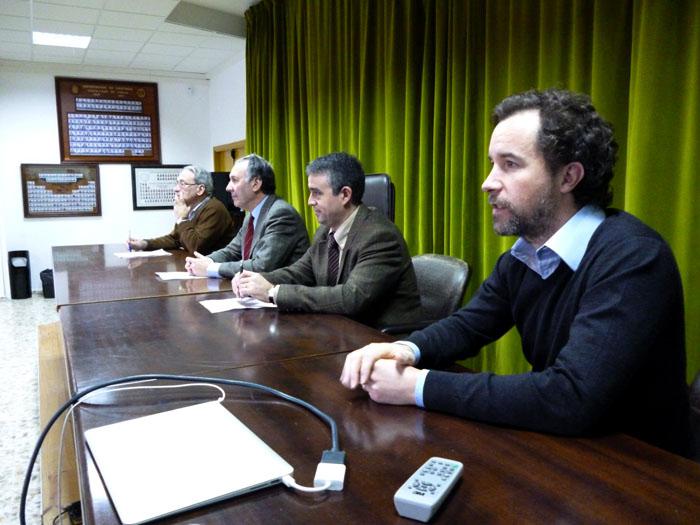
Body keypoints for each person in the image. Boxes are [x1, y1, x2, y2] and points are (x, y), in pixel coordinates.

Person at [340, 88, 690, 456]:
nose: (488, 182)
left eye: (509, 164)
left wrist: (417, 386)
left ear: (568, 177)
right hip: (565, 450)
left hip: (643, 469)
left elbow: (571, 396)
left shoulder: (633, 257)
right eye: (492, 164)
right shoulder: (524, 258)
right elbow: (468, 326)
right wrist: (404, 349)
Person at [232, 152, 423, 329]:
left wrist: (274, 293)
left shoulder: (380, 237)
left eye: (317, 193)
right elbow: (300, 272)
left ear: (345, 195)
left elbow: (351, 298)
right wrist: (255, 280)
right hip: (339, 329)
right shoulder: (326, 230)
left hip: (380, 338)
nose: (310, 201)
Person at [184, 154, 309, 278]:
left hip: (281, 289)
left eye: (234, 180)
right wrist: (205, 261)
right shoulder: (251, 215)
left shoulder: (281, 214)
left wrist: (211, 268)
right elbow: (232, 251)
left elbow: (261, 266)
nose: (228, 187)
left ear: (256, 183)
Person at [128, 165, 235, 254]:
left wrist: (182, 219)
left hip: (214, 269)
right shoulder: (191, 207)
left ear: (200, 189)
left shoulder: (214, 208)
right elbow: (174, 239)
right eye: (177, 183)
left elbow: (196, 247)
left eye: (183, 184)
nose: (176, 188)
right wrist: (144, 244)